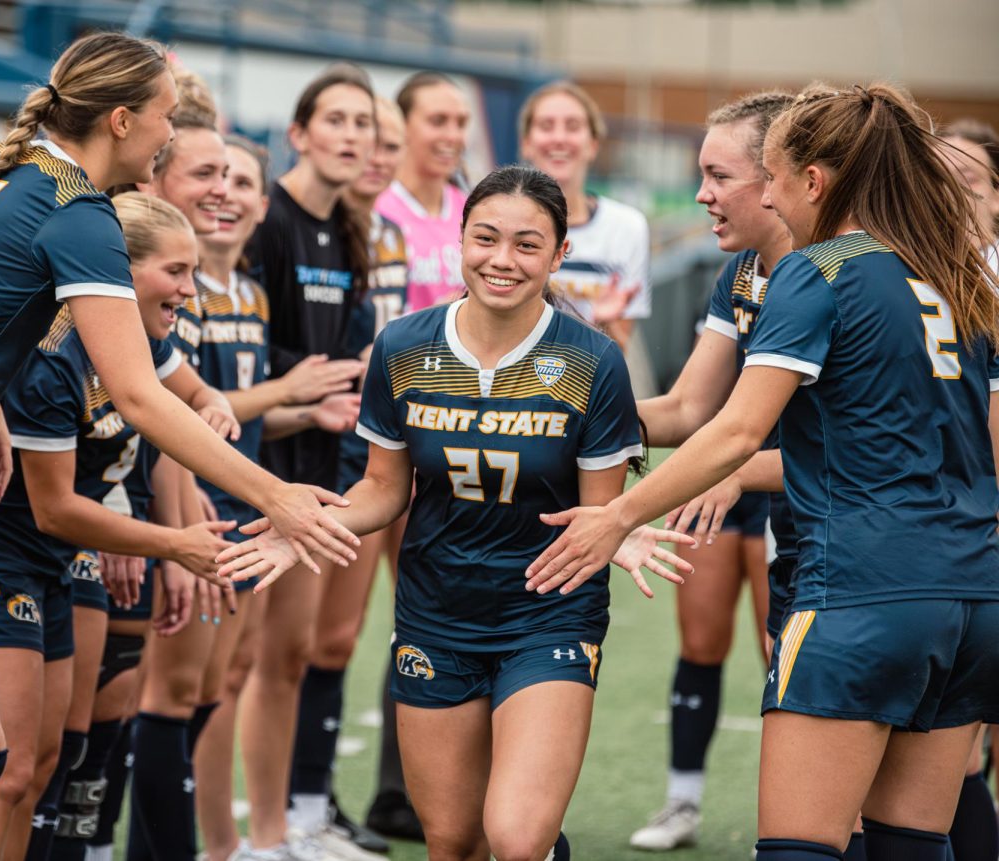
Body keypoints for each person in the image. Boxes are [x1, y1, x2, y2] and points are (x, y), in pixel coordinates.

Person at [0, 32, 356, 861]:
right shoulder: (82, 215)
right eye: (168, 120)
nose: (173, 137)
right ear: (122, 119)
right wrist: (275, 494)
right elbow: (139, 394)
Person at [527, 83, 999, 861]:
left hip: (863, 590)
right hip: (972, 594)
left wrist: (617, 514)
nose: (764, 198)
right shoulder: (953, 275)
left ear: (813, 180)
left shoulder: (817, 271)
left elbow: (735, 430)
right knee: (912, 846)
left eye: (769, 177)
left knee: (801, 848)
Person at [220, 165, 694, 861]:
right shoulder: (403, 347)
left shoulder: (593, 361)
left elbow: (597, 514)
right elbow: (385, 489)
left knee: (518, 836)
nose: (502, 260)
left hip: (546, 610)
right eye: (486, 238)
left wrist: (618, 531)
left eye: (527, 244)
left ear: (560, 254)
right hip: (436, 608)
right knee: (452, 840)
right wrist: (307, 529)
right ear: (460, 241)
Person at [0, 190, 242, 859]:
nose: (188, 289)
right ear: (121, 271)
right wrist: (175, 544)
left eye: (193, 271)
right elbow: (53, 505)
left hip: (61, 555)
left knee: (54, 754)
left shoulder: (143, 335)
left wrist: (214, 407)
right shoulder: (56, 354)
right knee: (7, 771)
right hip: (1, 552)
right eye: (175, 272)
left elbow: (194, 392)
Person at [618, 91, 796, 852]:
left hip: (844, 524)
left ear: (780, 178)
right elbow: (692, 406)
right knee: (704, 639)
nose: (700, 195)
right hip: (757, 482)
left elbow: (863, 448)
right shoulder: (744, 275)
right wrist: (565, 421)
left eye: (718, 175)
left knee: (797, 681)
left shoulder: (837, 277)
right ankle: (691, 803)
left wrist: (730, 469)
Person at [238, 63, 378, 861]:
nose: (353, 136)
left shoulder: (347, 227)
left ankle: (280, 826)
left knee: (289, 656)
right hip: (263, 460)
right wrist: (302, 398)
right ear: (298, 133)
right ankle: (239, 834)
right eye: (337, 120)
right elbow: (247, 355)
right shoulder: (270, 219)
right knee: (232, 668)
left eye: (364, 122)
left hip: (320, 463)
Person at [292, 95, 411, 854]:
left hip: (365, 447)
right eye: (365, 134)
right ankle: (290, 806)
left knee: (337, 637)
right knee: (287, 645)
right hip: (306, 446)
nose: (375, 152)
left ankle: (312, 799)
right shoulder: (306, 229)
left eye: (385, 141)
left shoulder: (384, 237)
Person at [939, 117, 999, 861]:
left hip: (972, 534)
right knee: (957, 753)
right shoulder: (917, 281)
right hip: (947, 541)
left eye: (971, 183)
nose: (951, 197)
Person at [518, 80, 652, 360]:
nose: (559, 138)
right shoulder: (500, 221)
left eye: (573, 126)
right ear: (526, 144)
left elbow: (619, 349)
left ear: (592, 145)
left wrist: (603, 321)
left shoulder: (627, 227)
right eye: (546, 126)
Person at [376, 72, 470, 312]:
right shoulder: (375, 207)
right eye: (438, 121)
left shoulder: (474, 211)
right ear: (402, 127)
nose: (452, 136)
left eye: (461, 123)